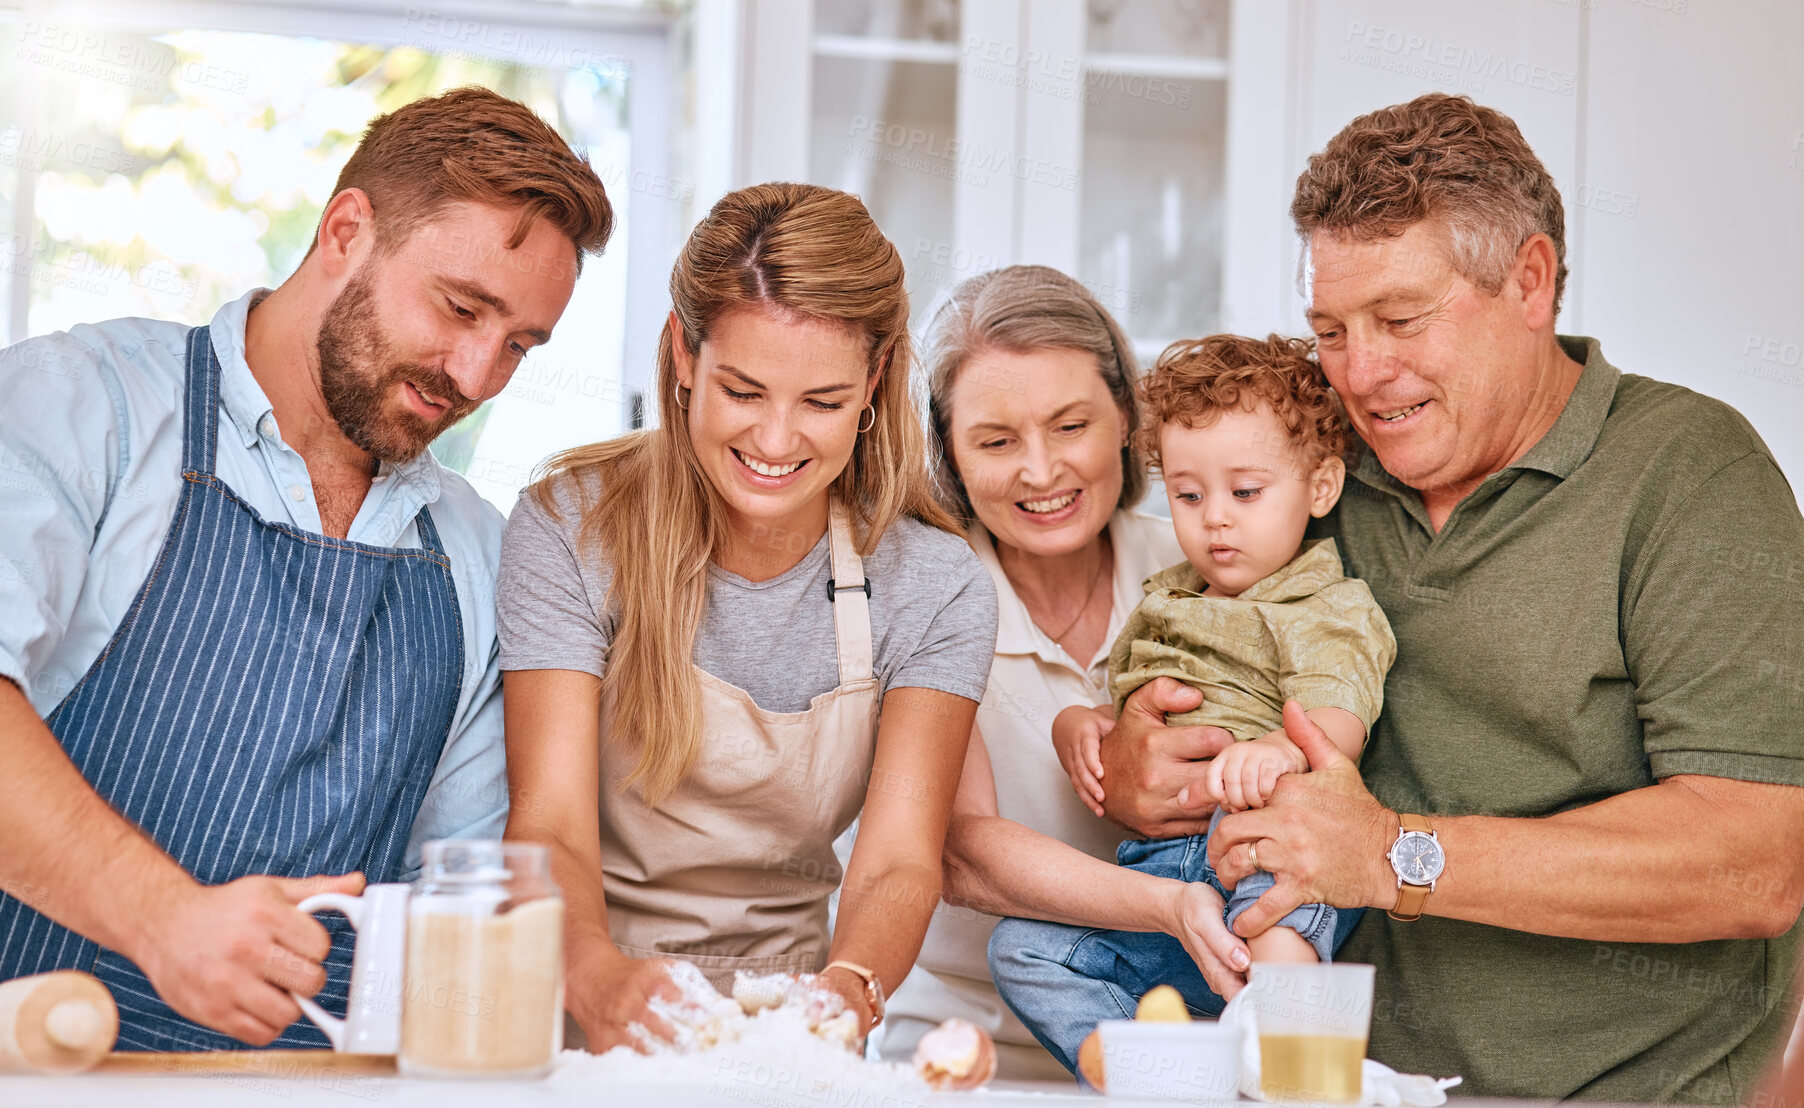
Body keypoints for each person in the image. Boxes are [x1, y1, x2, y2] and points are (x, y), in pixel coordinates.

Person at [1098, 93, 1804, 1102]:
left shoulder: (1689, 474)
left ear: (1530, 281)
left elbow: (1757, 860)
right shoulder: (1312, 459)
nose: (1360, 371)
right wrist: (1137, 759)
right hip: (1334, 1083)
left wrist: (1394, 855)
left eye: (1399, 318)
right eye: (1330, 328)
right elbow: (1198, 637)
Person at [0, 88, 612, 1051]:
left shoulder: (478, 555)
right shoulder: (83, 409)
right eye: (461, 308)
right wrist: (163, 917)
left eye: (519, 349)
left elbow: (465, 893)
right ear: (344, 231)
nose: (478, 374)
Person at [497, 182, 999, 1053]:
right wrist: (599, 982)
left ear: (875, 381)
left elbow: (897, 863)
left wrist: (849, 990)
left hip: (795, 1022)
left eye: (821, 402)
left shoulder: (934, 582)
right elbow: (548, 827)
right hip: (576, 1004)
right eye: (744, 391)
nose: (776, 441)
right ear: (683, 357)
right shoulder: (568, 529)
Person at [876, 266, 1252, 1080]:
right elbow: (965, 854)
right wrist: (1169, 902)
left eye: (1070, 425)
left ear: (1125, 414)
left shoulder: (1206, 560)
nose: (1040, 472)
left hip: (1184, 1048)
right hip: (965, 1056)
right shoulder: (922, 592)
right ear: (947, 451)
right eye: (996, 440)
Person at [988, 333, 1395, 1071]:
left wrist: (1279, 750)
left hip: (1264, 853)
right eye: (1187, 494)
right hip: (1158, 886)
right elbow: (1131, 716)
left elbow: (1341, 713)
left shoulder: (1324, 604)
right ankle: (1155, 1067)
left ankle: (1292, 1068)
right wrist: (1080, 725)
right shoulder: (1164, 599)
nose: (1214, 518)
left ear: (1321, 487)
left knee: (1283, 918)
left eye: (1245, 492)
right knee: (1021, 946)